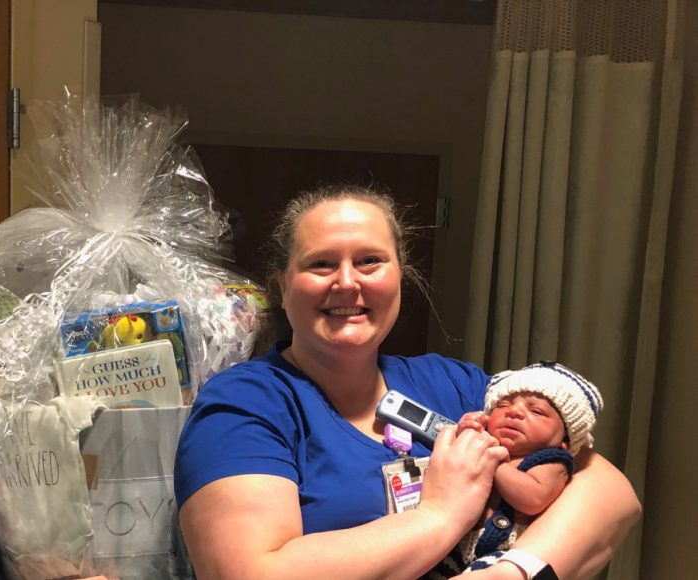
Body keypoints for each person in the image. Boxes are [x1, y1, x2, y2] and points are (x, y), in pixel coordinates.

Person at [173, 185, 640, 580]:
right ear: (281, 284)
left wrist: (511, 570)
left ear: (401, 276)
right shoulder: (245, 404)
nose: (347, 282)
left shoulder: (452, 385)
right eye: (320, 264)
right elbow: (252, 573)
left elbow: (610, 494)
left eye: (370, 261)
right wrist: (441, 515)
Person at [434, 361, 604, 576]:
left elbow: (533, 499)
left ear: (565, 440)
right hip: (455, 543)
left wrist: (492, 461)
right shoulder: (487, 441)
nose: (514, 411)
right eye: (503, 405)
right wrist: (466, 432)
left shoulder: (551, 461)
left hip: (504, 552)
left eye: (537, 411)